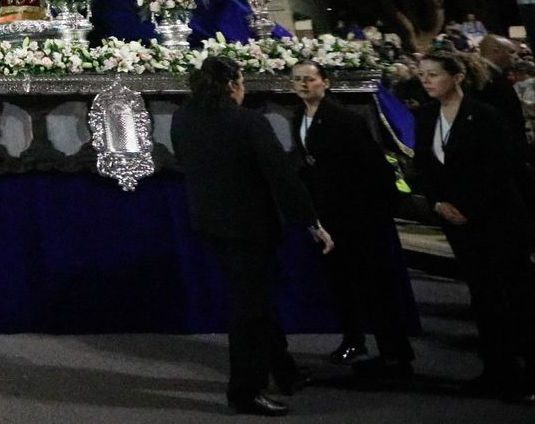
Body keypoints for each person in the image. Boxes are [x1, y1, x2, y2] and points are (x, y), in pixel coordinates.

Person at [171, 55, 332, 417]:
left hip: (211, 223)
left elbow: (185, 161)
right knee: (250, 312)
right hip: (251, 226)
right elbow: (281, 176)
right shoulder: (248, 121)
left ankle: (284, 371)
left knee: (255, 301)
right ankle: (246, 391)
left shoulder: (184, 118)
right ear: (232, 85)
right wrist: (311, 221)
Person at [411, 50, 535, 404]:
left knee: (518, 297)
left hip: (497, 219)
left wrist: (469, 208)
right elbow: (423, 164)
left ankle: (530, 373)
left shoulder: (485, 116)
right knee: (483, 297)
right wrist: (437, 201)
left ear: (457, 76)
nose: (426, 80)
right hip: (457, 223)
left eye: (434, 74)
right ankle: (497, 369)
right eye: (423, 75)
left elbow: (499, 169)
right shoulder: (425, 116)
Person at [288, 60, 413, 380]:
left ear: (325, 83)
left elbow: (370, 166)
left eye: (310, 80)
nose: (304, 85)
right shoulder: (297, 117)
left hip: (356, 214)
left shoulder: (345, 119)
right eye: (298, 80)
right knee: (341, 283)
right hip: (327, 214)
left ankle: (394, 353)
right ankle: (354, 340)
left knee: (373, 286)